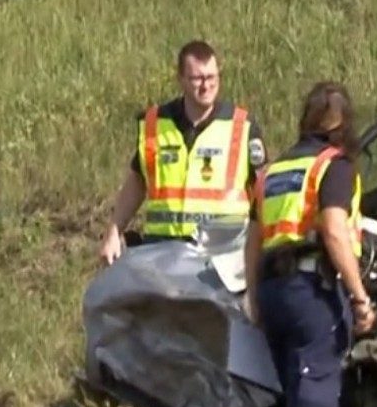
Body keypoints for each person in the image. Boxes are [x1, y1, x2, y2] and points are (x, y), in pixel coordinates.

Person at [244, 81, 377, 407]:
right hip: (311, 292)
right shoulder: (334, 166)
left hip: (273, 290)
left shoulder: (275, 170)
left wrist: (253, 297)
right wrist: (359, 296)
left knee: (309, 394)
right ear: (345, 126)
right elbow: (335, 232)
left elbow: (253, 238)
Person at [98, 40, 268, 264]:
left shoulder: (241, 125)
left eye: (211, 77)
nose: (205, 86)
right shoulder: (155, 123)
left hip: (223, 255)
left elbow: (264, 187)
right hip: (162, 252)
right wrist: (113, 231)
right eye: (197, 78)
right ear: (180, 79)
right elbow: (137, 181)